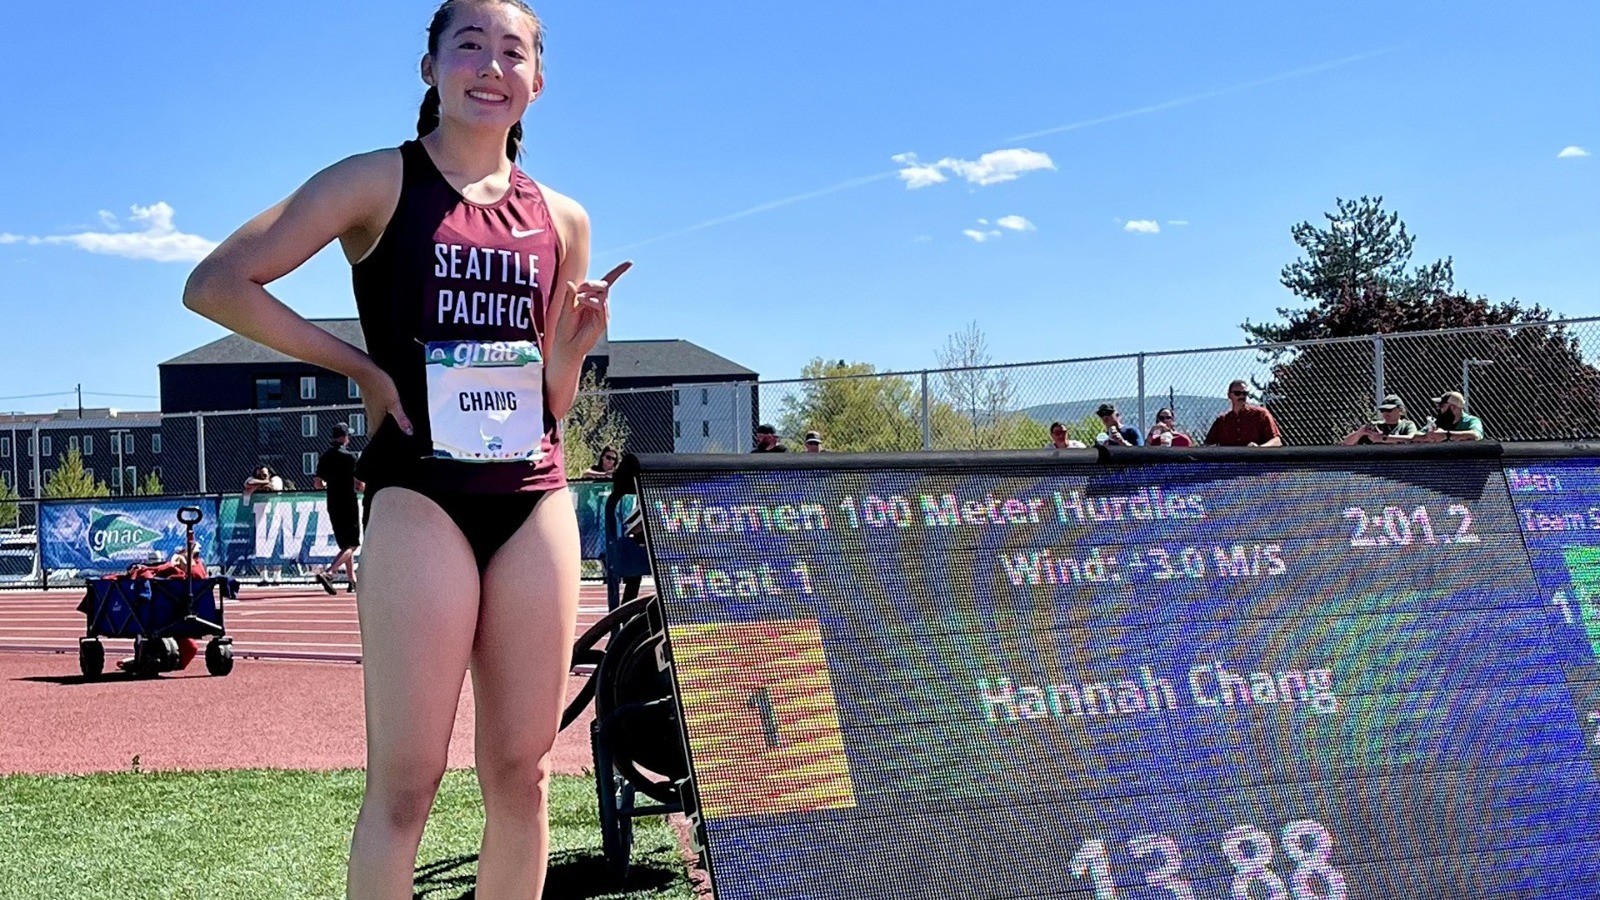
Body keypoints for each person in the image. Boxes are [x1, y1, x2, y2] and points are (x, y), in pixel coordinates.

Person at [182, 2, 626, 895]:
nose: (491, 67)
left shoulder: (565, 219)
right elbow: (217, 285)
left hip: (534, 496)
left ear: (538, 82)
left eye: (514, 53)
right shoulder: (376, 182)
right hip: (420, 496)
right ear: (429, 67)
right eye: (470, 46)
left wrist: (572, 349)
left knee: (524, 776)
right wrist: (364, 372)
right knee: (406, 784)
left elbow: (551, 401)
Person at [314, 423, 365, 594]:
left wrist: (332, 483)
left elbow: (318, 483)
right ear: (344, 437)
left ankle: (352, 580)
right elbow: (360, 485)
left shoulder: (325, 457)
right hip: (348, 501)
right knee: (353, 544)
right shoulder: (350, 457)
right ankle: (330, 572)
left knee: (345, 543)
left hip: (333, 501)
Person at [1205, 380, 1284, 447]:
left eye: (1245, 393)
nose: (1242, 396)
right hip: (1229, 463)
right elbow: (1207, 445)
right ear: (1229, 395)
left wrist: (1259, 448)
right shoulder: (1222, 420)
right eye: (1237, 393)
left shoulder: (1261, 414)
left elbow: (1277, 441)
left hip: (1255, 463)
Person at [1340, 394, 1419, 445]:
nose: (1385, 413)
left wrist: (1383, 438)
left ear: (1401, 411)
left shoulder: (1407, 425)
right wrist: (1359, 433)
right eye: (1383, 410)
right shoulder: (1376, 425)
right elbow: (1346, 444)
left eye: (1389, 410)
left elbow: (1411, 438)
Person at [1414, 391, 1487, 443]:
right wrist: (1428, 435)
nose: (1439, 409)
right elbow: (1415, 435)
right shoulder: (1438, 422)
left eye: (1442, 406)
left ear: (1453, 407)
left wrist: (1446, 435)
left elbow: (1476, 435)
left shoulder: (1471, 421)